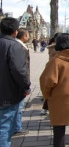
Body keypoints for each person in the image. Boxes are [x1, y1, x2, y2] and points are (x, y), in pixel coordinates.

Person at [0, 17, 31, 147]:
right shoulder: (14, 46)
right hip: (8, 93)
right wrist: (26, 87)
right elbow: (19, 71)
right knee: (5, 128)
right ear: (15, 31)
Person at [13, 28, 31, 136]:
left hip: (17, 81)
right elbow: (20, 68)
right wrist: (25, 84)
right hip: (19, 82)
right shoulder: (19, 47)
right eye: (28, 34)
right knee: (18, 106)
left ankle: (16, 126)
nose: (28, 36)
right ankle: (17, 127)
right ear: (23, 36)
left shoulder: (17, 46)